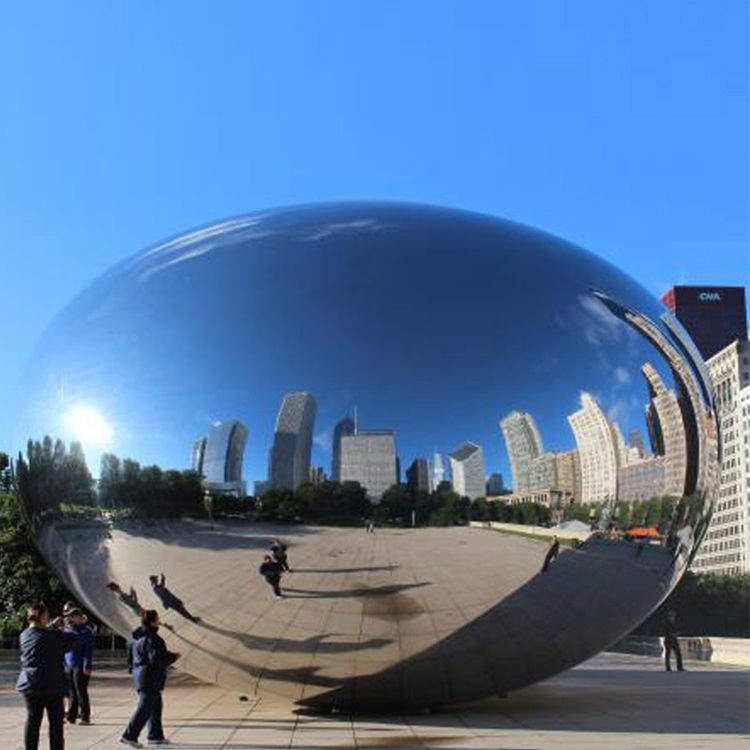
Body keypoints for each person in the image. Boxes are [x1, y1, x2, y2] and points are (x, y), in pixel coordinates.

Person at [16, 602, 78, 750]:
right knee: (56, 725)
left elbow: (39, 635)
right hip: (51, 686)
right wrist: (65, 626)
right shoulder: (53, 636)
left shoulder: (24, 635)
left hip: (29, 684)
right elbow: (73, 639)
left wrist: (50, 626)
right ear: (43, 617)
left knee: (33, 721)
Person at [121, 609, 179, 748]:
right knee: (145, 708)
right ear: (153, 621)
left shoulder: (137, 638)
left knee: (155, 707)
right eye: (158, 618)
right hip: (150, 678)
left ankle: (155, 736)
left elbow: (143, 656)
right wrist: (173, 657)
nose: (159, 620)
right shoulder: (154, 639)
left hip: (141, 676)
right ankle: (129, 735)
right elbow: (157, 659)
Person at [63, 608, 94, 725]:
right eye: (69, 616)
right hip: (69, 664)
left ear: (79, 617)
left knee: (81, 691)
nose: (69, 618)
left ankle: (85, 716)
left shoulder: (86, 632)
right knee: (71, 692)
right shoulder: (68, 630)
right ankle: (71, 716)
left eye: (72, 616)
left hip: (80, 665)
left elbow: (88, 650)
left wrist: (87, 665)